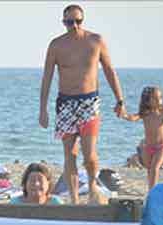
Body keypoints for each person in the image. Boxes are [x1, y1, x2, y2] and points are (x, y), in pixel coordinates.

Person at [39, 4, 125, 205]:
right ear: (64, 23)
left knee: (90, 155)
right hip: (66, 103)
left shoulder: (96, 41)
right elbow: (47, 78)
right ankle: (75, 199)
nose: (74, 26)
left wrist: (119, 100)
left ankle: (93, 185)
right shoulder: (56, 45)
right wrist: (42, 110)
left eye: (78, 21)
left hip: (89, 102)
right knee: (70, 154)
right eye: (70, 22)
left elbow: (110, 71)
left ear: (82, 21)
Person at [122, 86, 163, 192]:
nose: (159, 100)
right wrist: (125, 115)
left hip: (161, 146)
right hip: (147, 147)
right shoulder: (145, 113)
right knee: (150, 170)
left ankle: (152, 193)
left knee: (154, 168)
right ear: (148, 100)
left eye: (160, 97)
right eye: (155, 98)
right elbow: (133, 118)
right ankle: (152, 189)